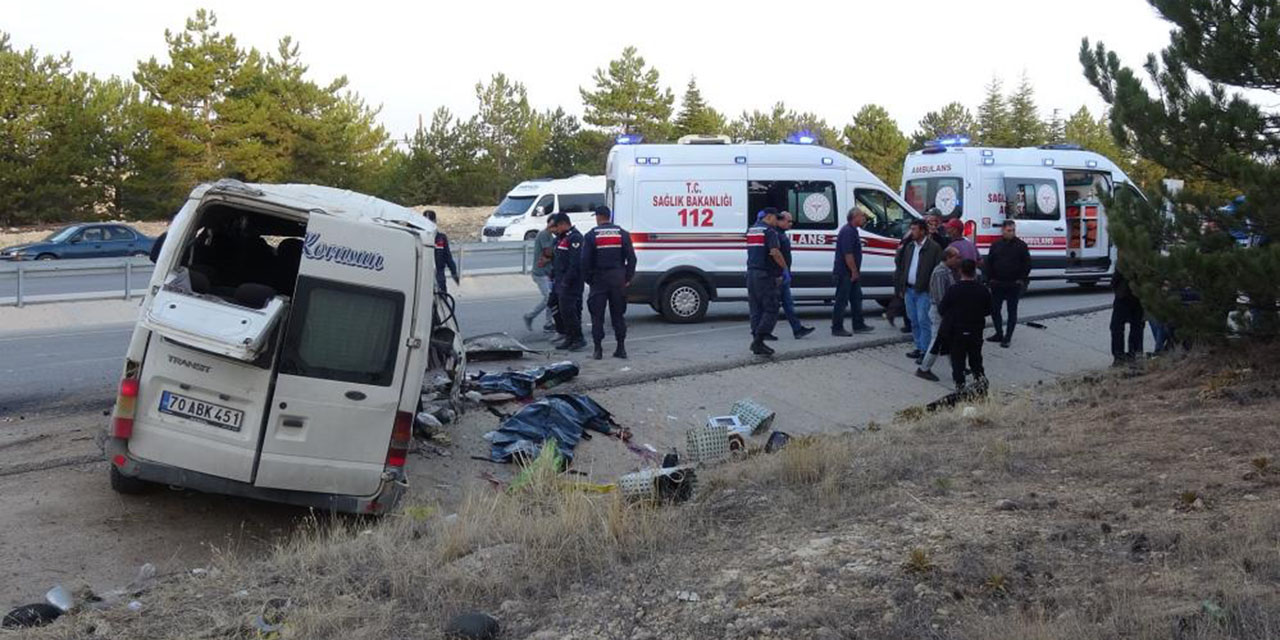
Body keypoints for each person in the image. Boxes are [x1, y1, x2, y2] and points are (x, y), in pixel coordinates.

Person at [582, 205, 637, 360]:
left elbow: (585, 261)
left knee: (597, 316)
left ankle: (598, 350)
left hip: (599, 280)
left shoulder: (591, 235)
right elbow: (632, 258)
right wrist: (627, 278)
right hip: (618, 279)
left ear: (599, 217)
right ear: (609, 216)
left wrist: (590, 280)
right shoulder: (623, 234)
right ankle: (621, 348)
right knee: (618, 315)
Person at [938, 259, 992, 392]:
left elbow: (942, 309)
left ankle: (960, 387)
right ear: (974, 271)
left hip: (957, 331)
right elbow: (989, 310)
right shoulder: (982, 289)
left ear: (960, 271)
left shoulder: (953, 289)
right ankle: (981, 385)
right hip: (975, 330)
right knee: (976, 360)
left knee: (958, 361)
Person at [895, 219, 943, 363]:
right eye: (911, 229)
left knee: (923, 321)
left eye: (914, 229)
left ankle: (925, 351)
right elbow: (902, 267)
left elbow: (937, 270)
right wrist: (901, 287)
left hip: (923, 290)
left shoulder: (934, 248)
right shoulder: (909, 246)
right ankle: (918, 346)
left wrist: (931, 289)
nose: (912, 232)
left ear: (922, 231)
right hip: (909, 289)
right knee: (913, 320)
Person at [747, 207, 789, 356]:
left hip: (751, 273)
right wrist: (784, 269)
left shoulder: (752, 229)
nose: (776, 221)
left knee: (755, 308)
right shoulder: (769, 231)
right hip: (765, 275)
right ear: (770, 217)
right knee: (771, 308)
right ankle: (758, 341)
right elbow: (775, 252)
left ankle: (756, 339)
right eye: (775, 218)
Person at [916, 246, 962, 382]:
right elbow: (941, 297)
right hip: (940, 312)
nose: (958, 260)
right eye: (956, 257)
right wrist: (948, 314)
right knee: (937, 340)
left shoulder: (946, 271)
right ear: (948, 257)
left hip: (943, 311)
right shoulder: (941, 273)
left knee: (948, 341)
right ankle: (924, 368)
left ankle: (957, 367)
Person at [984, 219, 1031, 348]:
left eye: (1013, 230)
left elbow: (1027, 264)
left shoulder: (1021, 245)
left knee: (1012, 311)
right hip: (997, 283)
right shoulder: (996, 245)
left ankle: (1008, 337)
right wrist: (989, 279)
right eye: (1009, 230)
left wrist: (1021, 279)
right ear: (1003, 230)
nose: (1012, 233)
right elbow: (989, 263)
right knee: (995, 310)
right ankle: (999, 333)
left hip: (1013, 284)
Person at [771, 212, 816, 340]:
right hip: (779, 275)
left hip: (783, 274)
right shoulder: (776, 235)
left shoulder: (781, 234)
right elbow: (775, 255)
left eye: (791, 221)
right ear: (779, 221)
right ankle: (762, 332)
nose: (791, 224)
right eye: (788, 221)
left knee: (787, 304)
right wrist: (783, 271)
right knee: (773, 306)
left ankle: (797, 329)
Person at [832, 207, 874, 336]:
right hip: (845, 272)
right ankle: (837, 328)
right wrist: (854, 271)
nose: (864, 218)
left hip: (850, 272)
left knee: (856, 298)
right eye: (862, 216)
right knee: (842, 300)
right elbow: (848, 254)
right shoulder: (848, 232)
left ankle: (858, 324)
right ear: (854, 217)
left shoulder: (853, 230)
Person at [549, 213, 586, 351]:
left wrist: (567, 280)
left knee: (569, 310)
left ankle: (578, 338)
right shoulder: (561, 238)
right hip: (559, 279)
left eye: (556, 226)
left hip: (571, 281)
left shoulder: (575, 237)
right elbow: (557, 258)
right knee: (557, 307)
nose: (555, 230)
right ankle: (569, 337)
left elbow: (575, 263)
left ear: (564, 224)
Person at [523, 217, 559, 332]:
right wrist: (557, 253)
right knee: (548, 298)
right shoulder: (544, 234)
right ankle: (530, 316)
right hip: (540, 273)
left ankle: (549, 323)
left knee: (552, 297)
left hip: (548, 273)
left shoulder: (550, 236)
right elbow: (548, 252)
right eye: (553, 224)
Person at [1110, 265, 1145, 366]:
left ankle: (1119, 356)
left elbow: (1117, 276)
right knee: (1137, 325)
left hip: (1123, 294)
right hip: (1138, 294)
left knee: (1117, 326)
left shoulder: (1126, 255)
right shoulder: (1144, 256)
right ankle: (1134, 354)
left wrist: (1115, 287)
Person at [423, 210, 460, 294]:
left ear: (435, 222)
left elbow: (448, 256)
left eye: (430, 221)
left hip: (439, 275)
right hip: (424, 276)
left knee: (442, 298)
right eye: (426, 222)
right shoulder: (419, 238)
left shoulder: (441, 238)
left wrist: (454, 273)